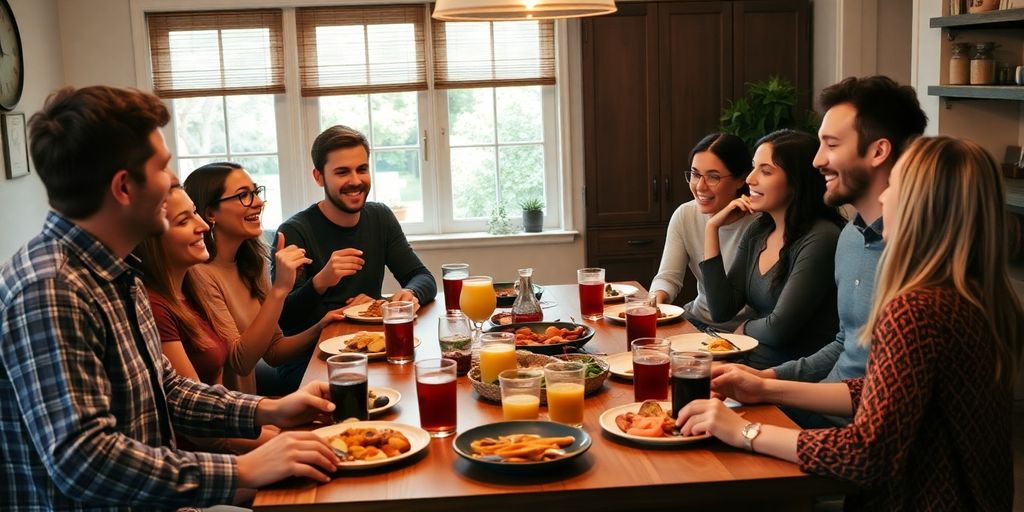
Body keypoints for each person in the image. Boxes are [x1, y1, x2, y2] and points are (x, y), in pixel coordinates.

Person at [0, 86, 340, 511]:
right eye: (164, 170)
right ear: (124, 187)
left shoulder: (120, 274)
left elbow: (170, 390)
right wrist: (244, 471)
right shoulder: (51, 288)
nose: (174, 185)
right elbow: (83, 460)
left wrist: (269, 410)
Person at [678, 136, 1022, 511]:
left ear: (925, 208)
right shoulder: (979, 297)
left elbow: (867, 454)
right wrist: (764, 387)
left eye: (897, 188)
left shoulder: (916, 310)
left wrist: (743, 431)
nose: (885, 199)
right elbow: (882, 392)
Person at [715, 75, 928, 427]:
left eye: (831, 145)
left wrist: (769, 390)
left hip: (856, 431)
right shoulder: (850, 238)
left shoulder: (917, 254)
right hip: (818, 408)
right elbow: (844, 344)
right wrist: (766, 379)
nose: (816, 161)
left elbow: (886, 402)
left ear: (878, 151)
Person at [273, 125, 437, 391]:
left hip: (371, 348)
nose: (355, 180)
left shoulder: (380, 217)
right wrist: (320, 282)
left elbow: (423, 277)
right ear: (318, 177)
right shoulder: (294, 232)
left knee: (420, 381)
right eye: (342, 172)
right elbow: (285, 318)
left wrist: (410, 293)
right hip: (310, 362)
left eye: (361, 169)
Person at [135, 181, 292, 453]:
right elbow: (200, 428)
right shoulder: (155, 306)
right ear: (154, 237)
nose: (203, 226)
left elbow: (218, 394)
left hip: (231, 434)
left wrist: (274, 423)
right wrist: (278, 436)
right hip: (203, 463)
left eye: (195, 213)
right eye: (185, 220)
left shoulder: (192, 286)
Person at [183, 163, 345, 395]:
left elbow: (274, 351)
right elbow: (241, 361)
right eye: (243, 196)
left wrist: (321, 327)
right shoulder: (199, 274)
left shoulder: (252, 262)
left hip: (251, 410)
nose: (258, 202)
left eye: (256, 192)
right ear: (210, 213)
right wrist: (280, 289)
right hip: (229, 417)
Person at [700, 129, 845, 369]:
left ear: (797, 180)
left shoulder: (821, 237)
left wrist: (745, 328)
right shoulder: (759, 230)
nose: (750, 179)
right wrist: (711, 228)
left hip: (790, 377)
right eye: (754, 167)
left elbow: (779, 330)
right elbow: (721, 308)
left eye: (765, 171)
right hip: (749, 364)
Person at [649, 132, 757, 331]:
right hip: (696, 321)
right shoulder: (685, 214)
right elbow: (668, 277)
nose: (700, 186)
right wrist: (655, 302)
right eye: (695, 174)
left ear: (741, 179)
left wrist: (712, 226)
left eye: (713, 177)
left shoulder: (760, 223)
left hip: (744, 331)